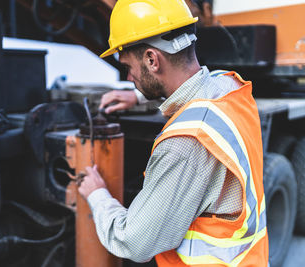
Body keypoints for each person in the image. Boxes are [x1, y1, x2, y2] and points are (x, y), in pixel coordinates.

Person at [78, 0, 269, 266]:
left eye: (128, 68)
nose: (129, 76)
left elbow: (133, 242)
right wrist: (138, 95)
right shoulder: (229, 86)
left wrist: (97, 194)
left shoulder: (185, 144)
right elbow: (195, 87)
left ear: (152, 60)